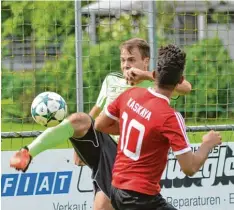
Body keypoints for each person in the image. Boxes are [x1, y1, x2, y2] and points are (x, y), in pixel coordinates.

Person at [10, 38, 192, 210]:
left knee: (102, 205)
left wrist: (145, 75)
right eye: (122, 60)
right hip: (103, 142)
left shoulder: (153, 85)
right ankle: (28, 152)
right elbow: (96, 111)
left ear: (145, 61)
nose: (126, 65)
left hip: (126, 156)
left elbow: (186, 87)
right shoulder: (111, 80)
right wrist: (78, 143)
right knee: (78, 119)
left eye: (131, 60)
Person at [94, 44, 222, 210]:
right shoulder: (170, 117)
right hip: (140, 198)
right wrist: (207, 144)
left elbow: (99, 124)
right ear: (180, 81)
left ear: (155, 73)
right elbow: (190, 167)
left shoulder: (130, 94)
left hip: (116, 189)